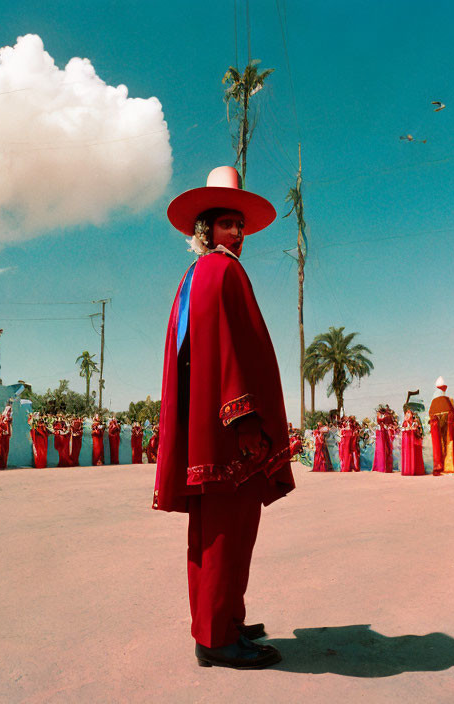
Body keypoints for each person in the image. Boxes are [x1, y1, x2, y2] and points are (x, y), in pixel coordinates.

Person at [154, 165, 293, 669]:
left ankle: (222, 620)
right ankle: (216, 638)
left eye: (240, 224)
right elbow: (229, 351)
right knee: (226, 534)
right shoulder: (221, 270)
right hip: (230, 432)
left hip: (210, 430)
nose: (237, 233)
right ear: (206, 228)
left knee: (222, 532)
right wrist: (244, 416)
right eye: (227, 223)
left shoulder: (199, 274)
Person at [428, 377, 454, 476]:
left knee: (439, 445)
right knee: (449, 444)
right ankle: (450, 467)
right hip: (447, 427)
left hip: (439, 427)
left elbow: (431, 415)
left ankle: (439, 466)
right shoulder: (446, 400)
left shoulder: (434, 401)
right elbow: (452, 414)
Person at [400, 407, 426, 476]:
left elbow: (419, 431)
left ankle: (416, 470)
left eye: (409, 413)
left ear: (412, 414)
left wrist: (414, 429)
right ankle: (408, 470)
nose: (407, 414)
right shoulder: (405, 422)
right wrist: (407, 429)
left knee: (414, 454)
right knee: (407, 454)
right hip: (407, 441)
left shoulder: (415, 421)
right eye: (406, 413)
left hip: (414, 441)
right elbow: (403, 429)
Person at [372, 404, 397, 473]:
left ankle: (384, 467)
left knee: (384, 448)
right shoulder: (380, 415)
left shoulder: (387, 416)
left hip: (384, 432)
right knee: (380, 449)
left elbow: (391, 424)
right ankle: (380, 466)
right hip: (380, 432)